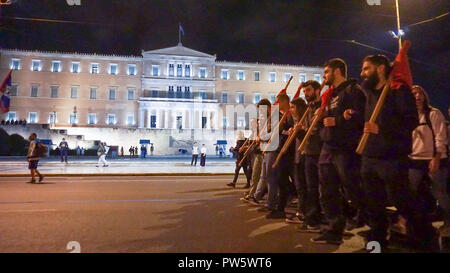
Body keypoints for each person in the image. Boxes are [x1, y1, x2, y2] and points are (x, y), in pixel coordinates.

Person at [360, 54, 437, 251]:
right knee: (373, 205)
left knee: (403, 202)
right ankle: (376, 244)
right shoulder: (369, 93)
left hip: (392, 158)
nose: (363, 73)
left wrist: (381, 129)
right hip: (370, 157)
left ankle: (425, 240)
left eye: (367, 68)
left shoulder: (399, 91)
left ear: (380, 69)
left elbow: (410, 122)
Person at [311, 58, 366, 245]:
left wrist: (339, 121)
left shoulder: (353, 91)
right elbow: (328, 119)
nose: (324, 76)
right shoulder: (330, 95)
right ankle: (334, 228)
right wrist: (321, 118)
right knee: (327, 190)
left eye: (326, 72)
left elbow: (361, 118)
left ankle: (368, 224)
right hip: (328, 147)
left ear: (337, 71)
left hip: (345, 148)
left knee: (352, 188)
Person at [409, 85, 449, 236]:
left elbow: (441, 137)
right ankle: (413, 222)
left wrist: (436, 158)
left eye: (420, 93)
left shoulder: (433, 113)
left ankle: (448, 221)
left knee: (439, 192)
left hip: (434, 159)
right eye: (413, 94)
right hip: (415, 159)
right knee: (410, 191)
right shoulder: (409, 116)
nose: (417, 96)